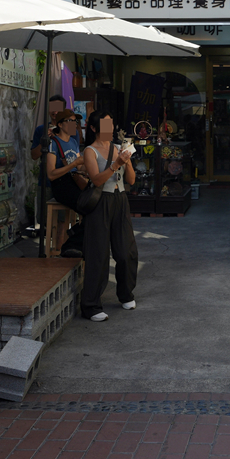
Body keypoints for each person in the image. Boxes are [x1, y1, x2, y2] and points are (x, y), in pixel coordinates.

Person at [79, 110, 138, 322]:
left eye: (111, 124)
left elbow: (131, 180)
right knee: (98, 254)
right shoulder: (90, 151)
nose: (110, 129)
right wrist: (116, 164)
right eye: (106, 125)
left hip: (120, 199)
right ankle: (91, 305)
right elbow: (96, 180)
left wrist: (126, 161)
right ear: (94, 128)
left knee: (126, 251)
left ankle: (126, 294)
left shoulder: (118, 148)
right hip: (100, 202)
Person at [44, 110, 90, 256]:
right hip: (61, 185)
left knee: (98, 206)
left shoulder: (73, 142)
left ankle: (75, 235)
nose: (74, 124)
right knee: (89, 209)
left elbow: (79, 167)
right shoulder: (53, 143)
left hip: (75, 181)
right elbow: (51, 174)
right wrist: (74, 164)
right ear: (60, 124)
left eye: (75, 122)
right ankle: (71, 245)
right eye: (70, 121)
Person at [30, 95, 68, 161]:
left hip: (66, 166)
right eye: (52, 107)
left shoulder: (69, 129)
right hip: (45, 166)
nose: (55, 111)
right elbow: (34, 156)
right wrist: (44, 141)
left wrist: (58, 138)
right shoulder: (40, 129)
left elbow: (74, 153)